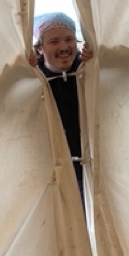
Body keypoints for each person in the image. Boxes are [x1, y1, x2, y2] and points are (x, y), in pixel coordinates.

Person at [29, 12, 94, 203]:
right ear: (40, 48)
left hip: (92, 166)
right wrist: (21, 71)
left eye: (69, 39)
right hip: (51, 171)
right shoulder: (33, 78)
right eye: (54, 41)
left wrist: (101, 56)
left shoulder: (88, 69)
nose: (64, 47)